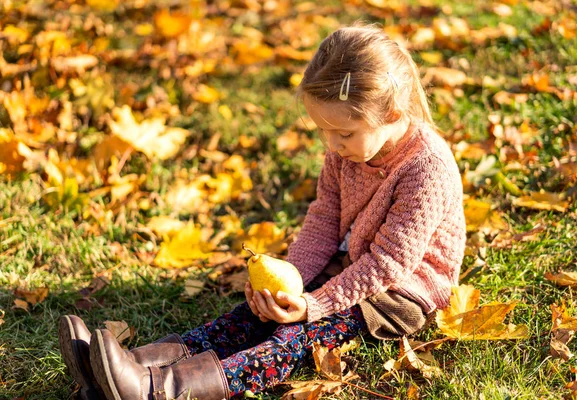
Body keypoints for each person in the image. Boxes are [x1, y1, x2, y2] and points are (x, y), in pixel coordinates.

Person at [58, 23, 466, 400]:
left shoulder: (424, 170)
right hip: (350, 264)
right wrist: (290, 283)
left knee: (295, 338)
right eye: (322, 130)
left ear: (392, 114)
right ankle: (128, 368)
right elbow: (324, 219)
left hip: (397, 294)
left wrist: (313, 307)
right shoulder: (345, 152)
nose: (332, 144)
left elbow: (387, 264)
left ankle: (160, 390)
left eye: (343, 133)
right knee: (251, 316)